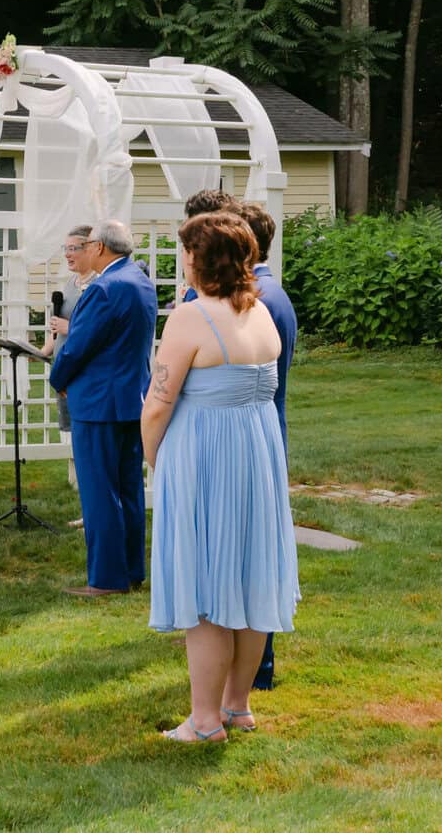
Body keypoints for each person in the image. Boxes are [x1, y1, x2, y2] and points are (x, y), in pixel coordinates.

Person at [143, 212, 298, 743]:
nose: (183, 261)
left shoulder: (190, 317)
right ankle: (238, 706)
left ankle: (205, 721)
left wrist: (154, 459)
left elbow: (158, 405)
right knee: (252, 577)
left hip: (205, 456)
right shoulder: (262, 314)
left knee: (206, 584)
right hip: (257, 456)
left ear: (199, 259)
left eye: (187, 251)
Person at [48, 220, 158, 598]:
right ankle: (131, 569)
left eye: (88, 244)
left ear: (100, 248)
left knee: (98, 492)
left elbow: (78, 346)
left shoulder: (104, 289)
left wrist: (57, 378)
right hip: (130, 399)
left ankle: (107, 578)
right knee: (128, 488)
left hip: (97, 402)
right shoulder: (141, 280)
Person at [240, 201, 297, 693]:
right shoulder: (270, 291)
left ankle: (257, 667)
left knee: (256, 551)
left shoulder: (260, 299)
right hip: (262, 427)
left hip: (255, 433)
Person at [41, 227, 99, 512]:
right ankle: (83, 499)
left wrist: (69, 328)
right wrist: (43, 350)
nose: (67, 254)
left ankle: (92, 505)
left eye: (73, 248)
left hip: (86, 373)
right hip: (65, 369)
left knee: (89, 438)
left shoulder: (99, 287)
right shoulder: (69, 285)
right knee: (75, 434)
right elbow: (55, 327)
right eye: (65, 249)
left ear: (90, 249)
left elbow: (99, 332)